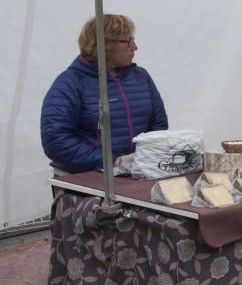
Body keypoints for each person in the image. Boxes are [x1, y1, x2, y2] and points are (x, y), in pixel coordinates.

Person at [41, 15, 168, 174]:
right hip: (85, 178)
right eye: (129, 41)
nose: (135, 47)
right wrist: (111, 161)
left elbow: (158, 126)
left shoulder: (141, 77)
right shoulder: (70, 83)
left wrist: (143, 159)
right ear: (106, 44)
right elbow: (56, 141)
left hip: (134, 173)